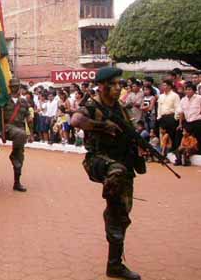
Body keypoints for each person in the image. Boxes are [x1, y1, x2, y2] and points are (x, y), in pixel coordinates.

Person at [71, 66, 144, 280]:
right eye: (114, 84)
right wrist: (102, 126)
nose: (118, 87)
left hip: (123, 163)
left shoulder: (121, 108)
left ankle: (114, 265)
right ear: (102, 86)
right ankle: (111, 205)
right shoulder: (92, 106)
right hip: (98, 160)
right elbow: (75, 121)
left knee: (122, 214)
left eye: (119, 84)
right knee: (116, 174)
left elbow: (131, 131)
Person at [2, 78, 33, 192]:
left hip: (20, 129)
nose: (15, 88)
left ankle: (17, 182)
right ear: (10, 88)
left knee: (20, 157)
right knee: (21, 134)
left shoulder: (23, 102)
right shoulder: (4, 100)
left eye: (17, 86)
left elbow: (29, 118)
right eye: (13, 86)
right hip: (8, 127)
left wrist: (32, 134)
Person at [178, 81, 201, 154]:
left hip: (199, 121)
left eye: (190, 89)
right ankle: (188, 153)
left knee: (199, 139)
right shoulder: (183, 100)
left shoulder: (199, 97)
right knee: (187, 138)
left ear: (194, 91)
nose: (188, 91)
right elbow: (181, 112)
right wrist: (180, 124)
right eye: (186, 89)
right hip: (188, 122)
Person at [157, 80, 180, 150]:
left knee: (171, 136)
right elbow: (159, 107)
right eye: (163, 85)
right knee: (163, 136)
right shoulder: (161, 96)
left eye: (165, 85)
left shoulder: (175, 95)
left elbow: (177, 107)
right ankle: (163, 151)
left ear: (169, 86)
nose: (163, 87)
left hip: (171, 117)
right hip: (163, 118)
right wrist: (159, 117)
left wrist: (175, 118)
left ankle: (172, 151)